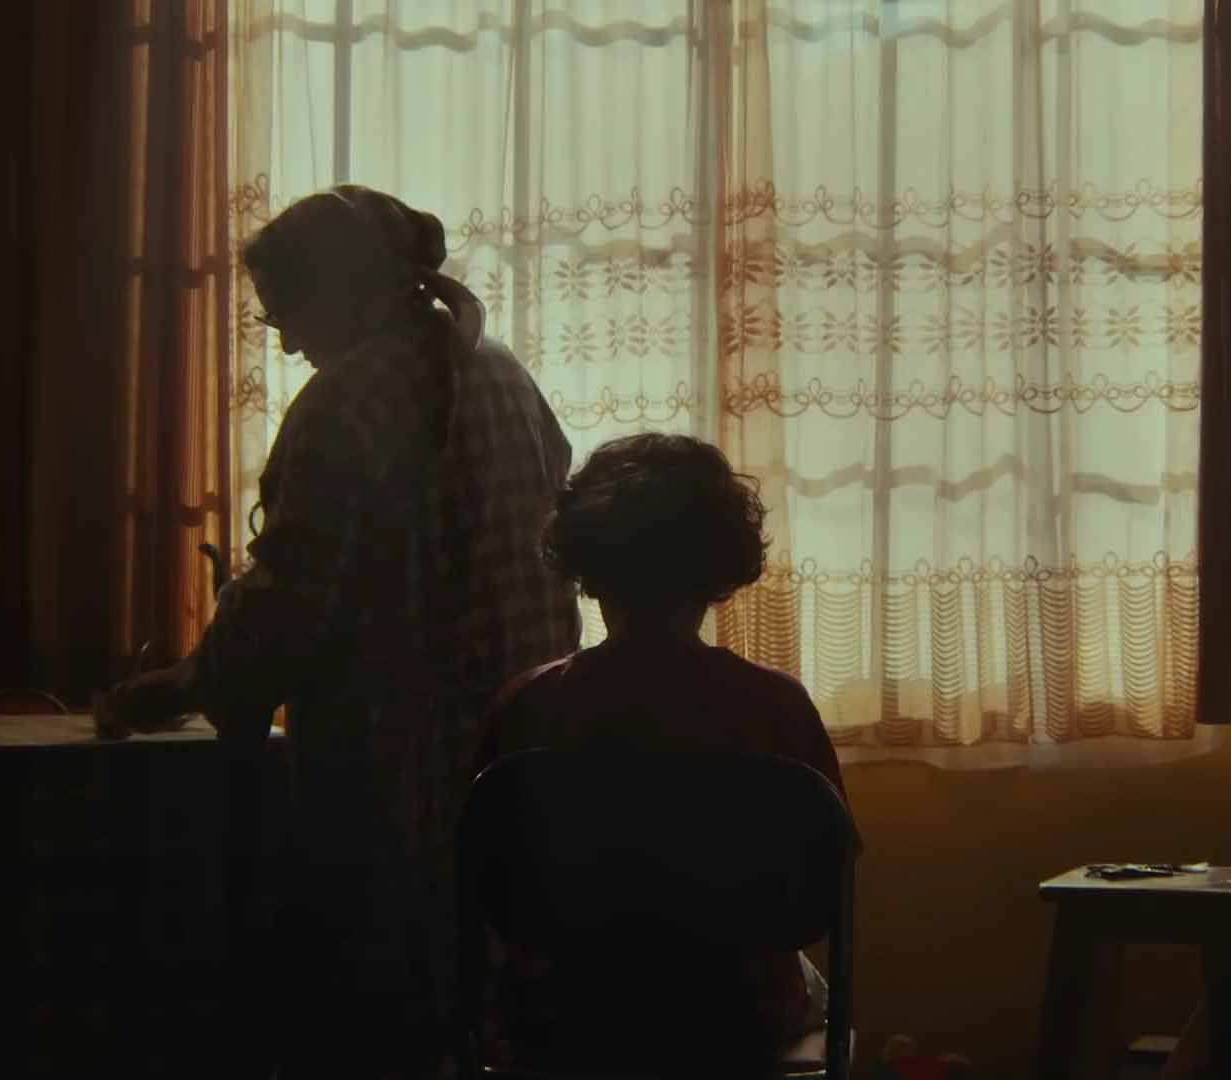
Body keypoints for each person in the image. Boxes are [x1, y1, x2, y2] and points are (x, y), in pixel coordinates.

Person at [101, 185, 581, 1078]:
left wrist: (191, 681)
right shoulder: (504, 373)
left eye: (287, 313)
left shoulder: (345, 402)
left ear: (345, 291)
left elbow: (292, 604)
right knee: (485, 1020)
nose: (284, 342)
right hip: (521, 761)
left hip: (398, 776)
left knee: (380, 1028)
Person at [473, 432, 852, 1072]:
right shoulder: (776, 707)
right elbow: (824, 891)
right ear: (720, 568)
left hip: (566, 1014)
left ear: (587, 566)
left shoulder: (527, 707)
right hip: (738, 1015)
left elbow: (491, 887)